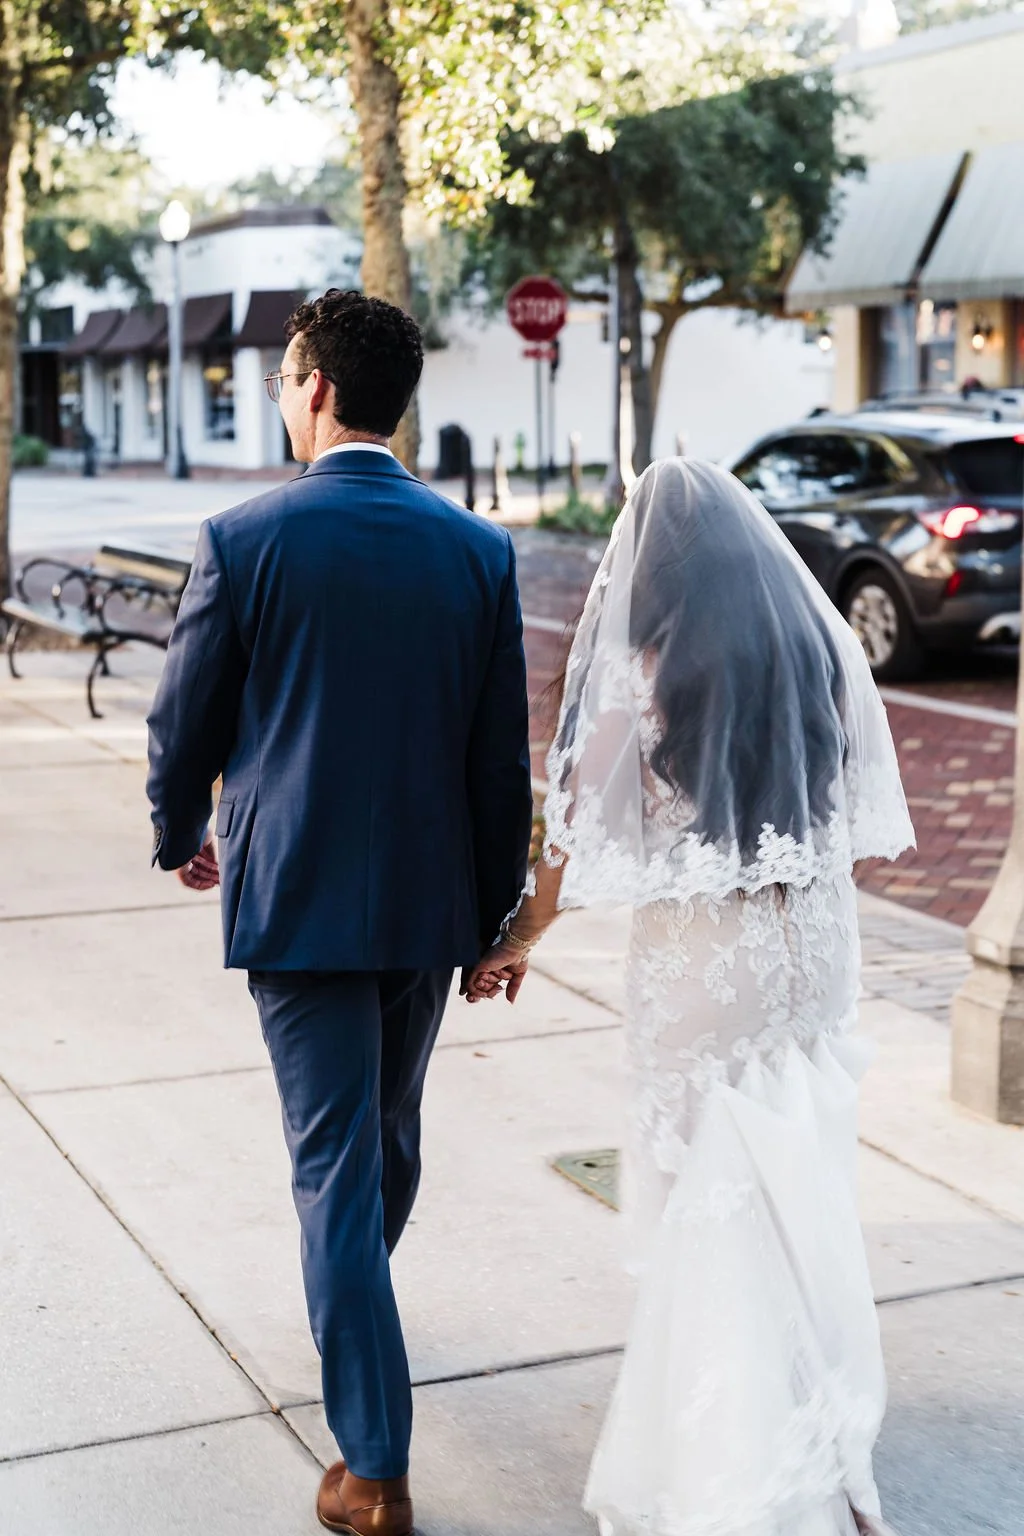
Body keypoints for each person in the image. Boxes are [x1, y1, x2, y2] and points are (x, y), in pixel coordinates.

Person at [467, 458, 914, 1536]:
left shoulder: (650, 663)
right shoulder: (808, 640)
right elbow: (848, 806)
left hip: (705, 960)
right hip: (807, 946)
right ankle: (818, 1443)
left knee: (707, 1201)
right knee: (786, 1183)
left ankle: (742, 1474)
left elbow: (578, 828)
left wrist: (519, 932)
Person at [146, 289, 533, 1536]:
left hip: (301, 893)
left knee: (341, 1168)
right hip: (430, 899)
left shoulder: (245, 537)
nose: (279, 396)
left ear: (315, 388)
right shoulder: (475, 549)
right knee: (382, 1146)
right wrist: (492, 918)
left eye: (279, 378)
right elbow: (497, 765)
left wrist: (178, 830)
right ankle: (357, 1320)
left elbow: (183, 724)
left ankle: (373, 1469)